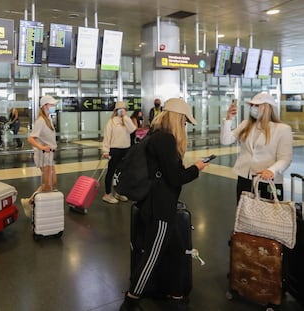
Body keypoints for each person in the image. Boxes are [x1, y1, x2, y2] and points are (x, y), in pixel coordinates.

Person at [120, 98, 208, 311]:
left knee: (178, 250)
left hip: (154, 204)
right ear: (177, 119)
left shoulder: (154, 135)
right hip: (160, 209)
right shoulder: (166, 140)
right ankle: (131, 302)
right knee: (151, 257)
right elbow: (175, 178)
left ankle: (177, 295)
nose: (185, 125)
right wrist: (196, 168)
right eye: (184, 121)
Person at [221, 93, 293, 202]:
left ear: (268, 107)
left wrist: (271, 170)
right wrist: (228, 119)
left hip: (267, 180)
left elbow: (285, 159)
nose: (253, 108)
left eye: (257, 105)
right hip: (245, 179)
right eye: (252, 105)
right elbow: (225, 140)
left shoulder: (282, 129)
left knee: (266, 217)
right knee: (243, 214)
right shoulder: (246, 125)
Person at [21, 95, 58, 217]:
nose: (53, 107)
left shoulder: (48, 119)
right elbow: (30, 139)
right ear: (45, 106)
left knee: (53, 183)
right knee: (48, 184)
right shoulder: (41, 121)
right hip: (43, 155)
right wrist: (42, 147)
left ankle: (32, 202)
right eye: (51, 105)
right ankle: (30, 202)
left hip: (49, 155)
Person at [102, 101, 136, 204]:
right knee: (111, 172)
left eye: (124, 109)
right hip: (115, 150)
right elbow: (107, 137)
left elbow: (133, 130)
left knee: (121, 172)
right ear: (116, 110)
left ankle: (118, 192)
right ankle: (107, 194)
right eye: (120, 109)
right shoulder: (111, 122)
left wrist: (125, 117)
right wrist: (105, 150)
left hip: (126, 149)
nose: (122, 111)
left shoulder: (127, 120)